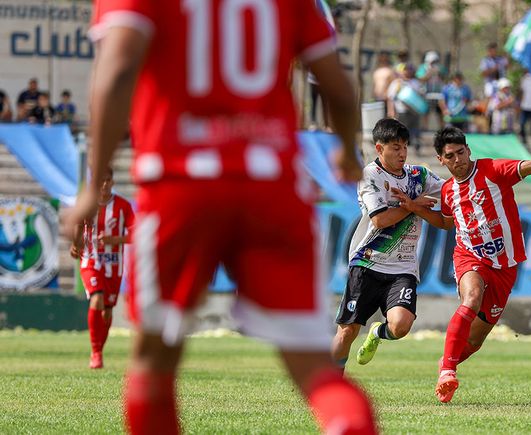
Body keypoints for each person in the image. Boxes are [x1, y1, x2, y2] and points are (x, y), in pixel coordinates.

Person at [64, 1, 377, 434]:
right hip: (272, 188)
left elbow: (117, 72)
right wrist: (345, 148)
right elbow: (338, 88)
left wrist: (93, 181)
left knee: (153, 362)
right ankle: (346, 424)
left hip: (180, 186)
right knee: (313, 369)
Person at [393, 126, 531, 404]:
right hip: (470, 256)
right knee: (472, 298)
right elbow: (446, 222)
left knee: (475, 341)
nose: (458, 159)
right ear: (441, 160)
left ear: (468, 150)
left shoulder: (492, 170)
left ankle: (448, 359)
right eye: (450, 156)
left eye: (461, 152)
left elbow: (520, 168)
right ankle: (447, 372)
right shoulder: (447, 191)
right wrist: (415, 208)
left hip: (505, 264)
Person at [332, 118, 443, 370]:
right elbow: (381, 219)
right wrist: (413, 205)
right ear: (379, 148)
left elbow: (449, 193)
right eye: (395, 147)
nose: (402, 152)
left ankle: (377, 334)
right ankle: (329, 387)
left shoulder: (419, 175)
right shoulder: (370, 175)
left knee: (401, 326)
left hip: (402, 268)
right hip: (368, 262)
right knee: (347, 332)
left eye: (404, 146)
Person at [70, 167, 133, 369]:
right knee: (96, 298)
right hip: (91, 259)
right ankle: (95, 352)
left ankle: (99, 350)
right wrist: (75, 245)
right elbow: (78, 227)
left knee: (106, 311)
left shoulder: (123, 206)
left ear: (113, 182)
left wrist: (115, 239)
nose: (104, 185)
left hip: (113, 263)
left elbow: (136, 233)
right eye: (100, 181)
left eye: (107, 180)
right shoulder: (87, 204)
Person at [387, 64, 424, 153]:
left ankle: (416, 148)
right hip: (401, 111)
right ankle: (398, 149)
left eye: (409, 70)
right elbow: (390, 98)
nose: (407, 72)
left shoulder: (415, 83)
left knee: (415, 130)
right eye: (405, 70)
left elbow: (421, 95)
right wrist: (391, 110)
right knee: (400, 130)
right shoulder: (396, 83)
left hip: (414, 111)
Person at [417, 51, 448, 130]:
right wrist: (429, 73)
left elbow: (445, 77)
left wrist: (439, 72)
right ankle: (425, 128)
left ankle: (442, 129)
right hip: (426, 93)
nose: (434, 63)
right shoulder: (423, 67)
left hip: (438, 93)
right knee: (426, 112)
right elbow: (420, 78)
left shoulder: (440, 68)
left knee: (439, 112)